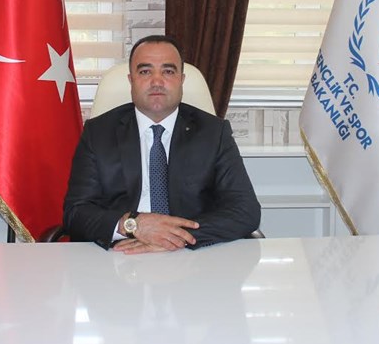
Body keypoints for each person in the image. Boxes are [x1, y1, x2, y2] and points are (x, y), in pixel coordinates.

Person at [63, 35, 261, 254]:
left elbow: (246, 210)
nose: (156, 81)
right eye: (145, 72)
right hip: (120, 253)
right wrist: (133, 225)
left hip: (190, 256)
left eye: (168, 71)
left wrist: (172, 237)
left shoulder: (214, 133)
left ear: (181, 80)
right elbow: (75, 213)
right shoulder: (98, 133)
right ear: (131, 80)